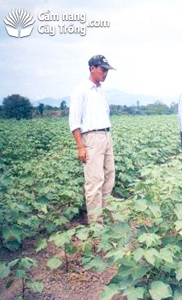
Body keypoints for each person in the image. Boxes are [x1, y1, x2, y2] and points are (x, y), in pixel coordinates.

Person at [68, 55, 116, 224]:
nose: (105, 74)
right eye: (103, 70)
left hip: (106, 135)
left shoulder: (101, 90)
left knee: (109, 178)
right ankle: (96, 224)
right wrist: (80, 146)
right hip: (91, 137)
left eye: (107, 70)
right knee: (95, 181)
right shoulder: (80, 90)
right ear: (92, 68)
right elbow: (74, 122)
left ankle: (106, 216)